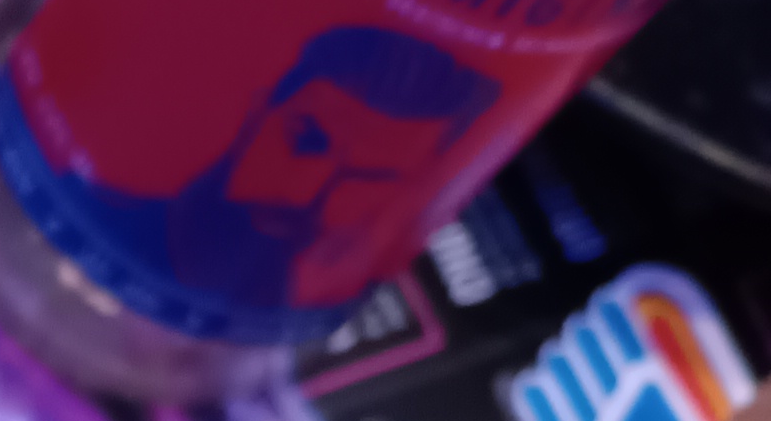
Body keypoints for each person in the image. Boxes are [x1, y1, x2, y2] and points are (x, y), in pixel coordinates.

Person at [25, 25, 500, 331]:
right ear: (257, 112)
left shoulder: (293, 316)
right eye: (306, 140)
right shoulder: (62, 206)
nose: (307, 194)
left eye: (368, 177)